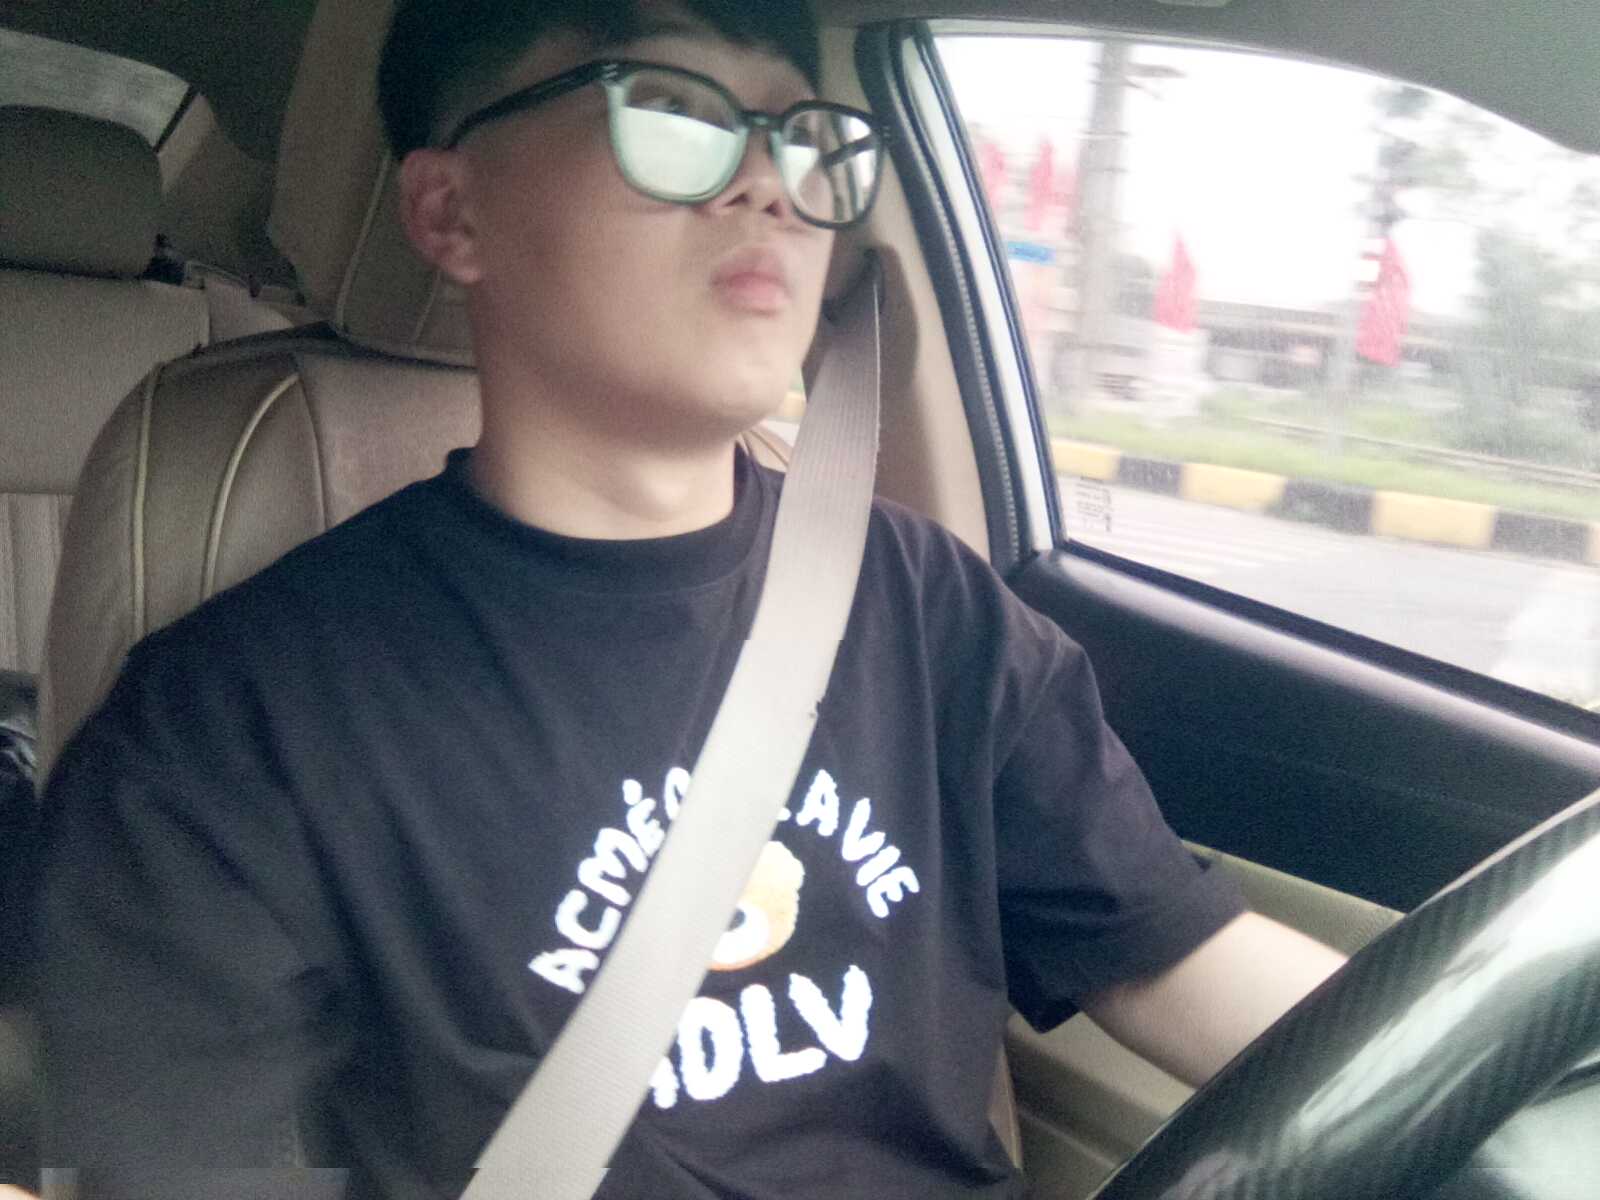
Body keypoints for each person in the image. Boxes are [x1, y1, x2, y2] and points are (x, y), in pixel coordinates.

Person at [35, 2, 1346, 1197]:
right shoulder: (231, 730)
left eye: (803, 136)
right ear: (451, 213)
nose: (771, 183)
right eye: (671, 113)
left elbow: (1181, 960)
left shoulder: (931, 609)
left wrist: (1469, 1060)